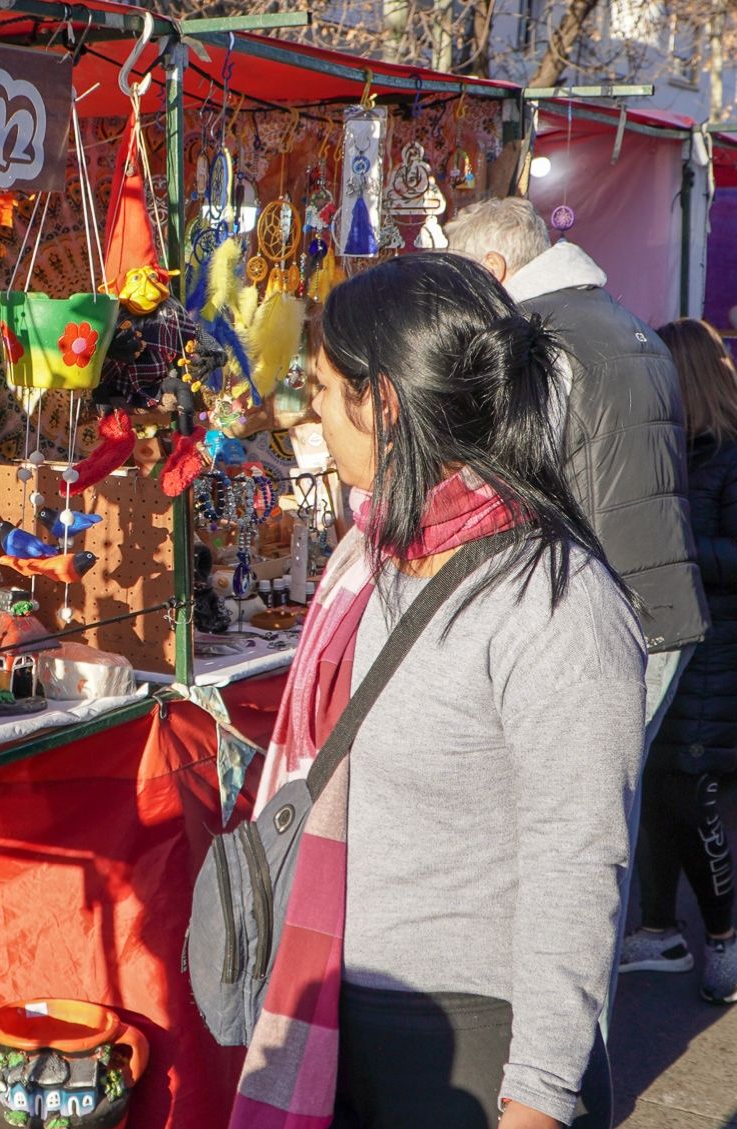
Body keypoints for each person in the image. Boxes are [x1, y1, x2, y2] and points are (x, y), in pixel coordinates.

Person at [238, 253, 642, 1129]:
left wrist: (536, 1096)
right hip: (344, 1022)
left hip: (471, 1048)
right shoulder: (376, 558)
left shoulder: (554, 602)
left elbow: (578, 865)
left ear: (382, 402)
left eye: (322, 386)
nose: (310, 409)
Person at [444, 197, 707, 739]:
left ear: (492, 269)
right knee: (611, 799)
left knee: (581, 805)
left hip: (598, 607)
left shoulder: (538, 337)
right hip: (657, 594)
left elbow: (512, 477)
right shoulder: (630, 326)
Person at [620, 319, 737, 1004]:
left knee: (692, 797)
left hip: (713, 651)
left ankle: (724, 936)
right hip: (667, 645)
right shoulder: (675, 456)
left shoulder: (727, 455)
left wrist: (680, 549)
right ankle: (661, 926)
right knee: (659, 792)